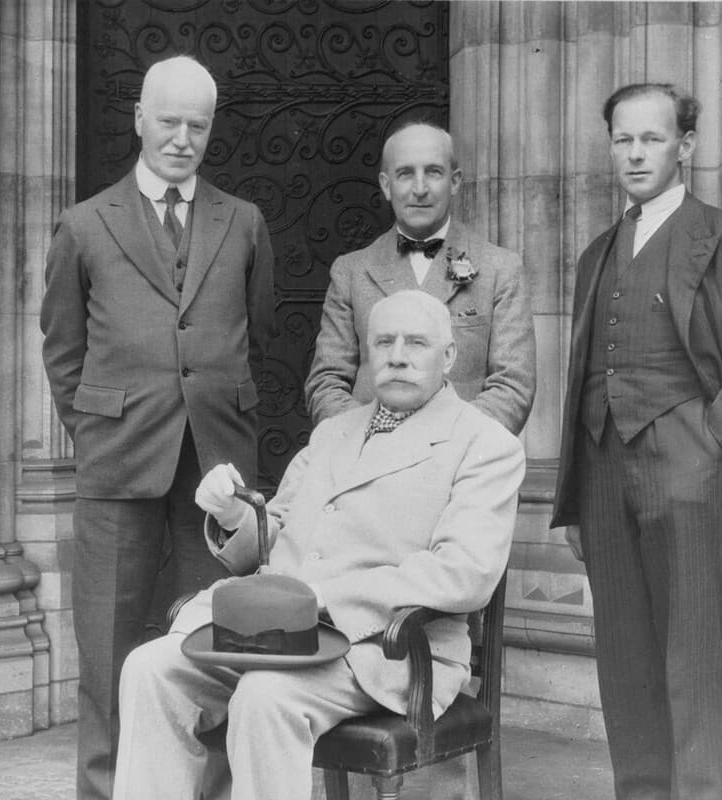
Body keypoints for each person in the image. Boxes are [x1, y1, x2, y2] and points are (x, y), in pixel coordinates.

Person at [112, 291, 526, 800]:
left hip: (382, 650)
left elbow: (466, 573)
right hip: (274, 635)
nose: (397, 355)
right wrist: (231, 513)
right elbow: (272, 542)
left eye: (416, 342)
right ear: (366, 352)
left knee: (267, 697)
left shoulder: (485, 445)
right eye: (383, 341)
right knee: (149, 669)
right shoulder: (333, 433)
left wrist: (328, 597)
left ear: (449, 357)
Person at [550, 83, 722, 800]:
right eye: (622, 140)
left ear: (684, 147)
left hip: (688, 468)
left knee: (690, 654)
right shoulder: (596, 254)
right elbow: (580, 381)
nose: (634, 153)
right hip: (603, 468)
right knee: (622, 655)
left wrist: (706, 445)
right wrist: (573, 495)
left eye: (651, 139)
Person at [40, 55, 275, 800]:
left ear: (211, 129)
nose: (181, 138)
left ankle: (207, 790)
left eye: (197, 126)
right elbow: (63, 350)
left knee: (213, 638)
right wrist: (95, 433)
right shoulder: (83, 225)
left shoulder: (242, 221)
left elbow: (258, 334)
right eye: (168, 121)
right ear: (138, 117)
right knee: (108, 646)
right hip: (118, 460)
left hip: (217, 464)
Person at [304, 121, 536, 435]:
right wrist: (377, 440)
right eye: (405, 174)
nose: (420, 188)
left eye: (433, 172)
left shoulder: (500, 269)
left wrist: (439, 443)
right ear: (386, 185)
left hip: (461, 461)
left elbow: (513, 386)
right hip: (370, 460)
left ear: (454, 182)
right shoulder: (351, 272)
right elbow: (326, 383)